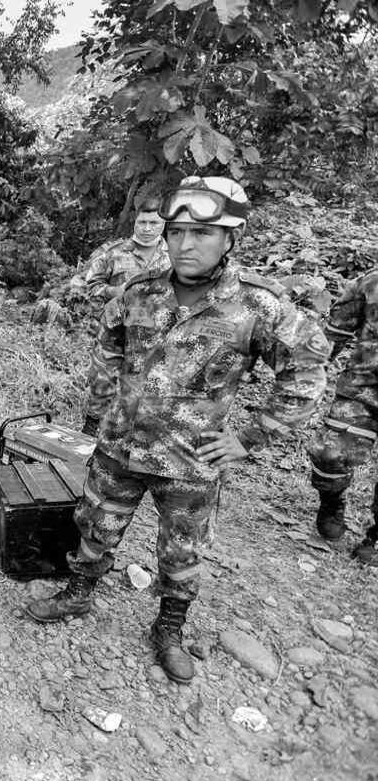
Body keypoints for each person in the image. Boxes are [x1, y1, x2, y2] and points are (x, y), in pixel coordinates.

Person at [28, 176, 329, 685]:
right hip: (121, 447)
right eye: (177, 232)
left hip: (191, 461)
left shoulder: (259, 305)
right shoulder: (139, 292)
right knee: (95, 526)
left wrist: (252, 438)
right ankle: (79, 593)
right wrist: (95, 414)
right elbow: (108, 351)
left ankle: (169, 628)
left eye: (202, 234)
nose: (186, 244)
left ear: (230, 238)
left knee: (182, 550)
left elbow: (307, 371)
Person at [306, 270, 378, 566]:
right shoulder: (371, 282)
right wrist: (306, 374)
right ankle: (332, 505)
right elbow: (334, 332)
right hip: (362, 389)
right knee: (329, 453)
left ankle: (375, 538)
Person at [82, 199, 169, 308]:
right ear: (135, 221)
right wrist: (113, 291)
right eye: (142, 222)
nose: (147, 228)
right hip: (119, 321)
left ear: (163, 224)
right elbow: (88, 289)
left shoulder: (176, 256)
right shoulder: (111, 252)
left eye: (154, 223)